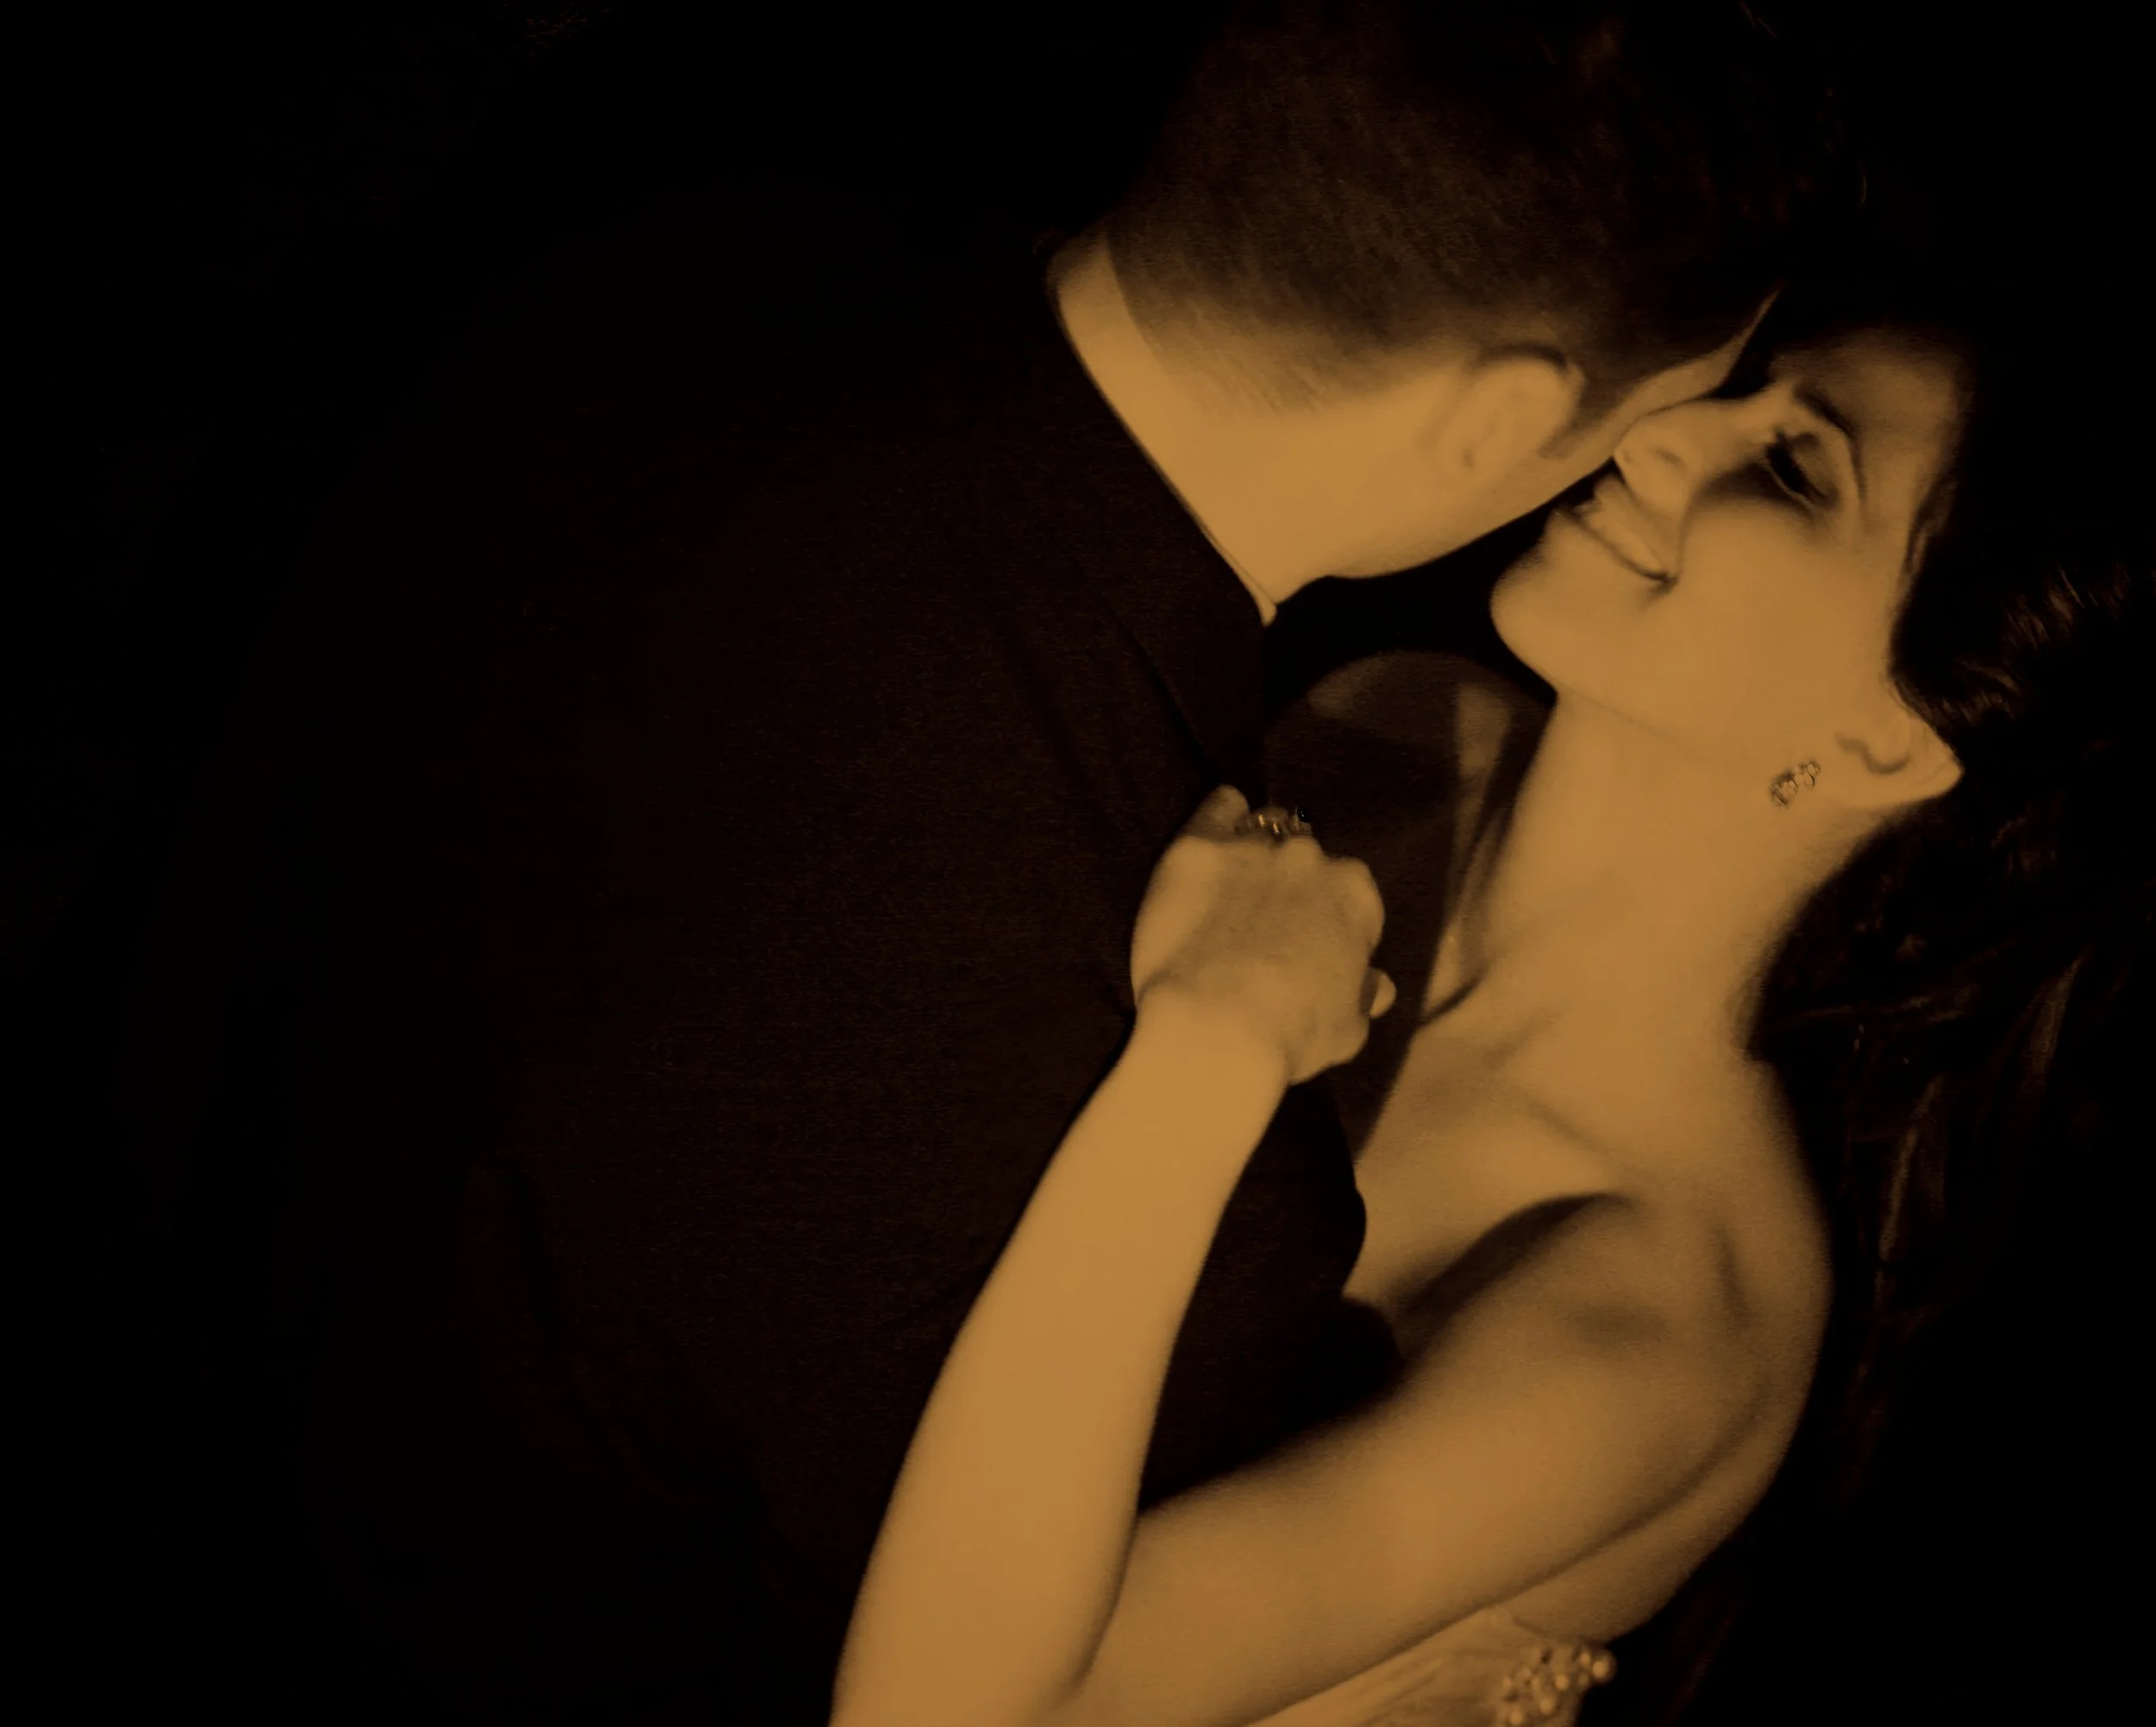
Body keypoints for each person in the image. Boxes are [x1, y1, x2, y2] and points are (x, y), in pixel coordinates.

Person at [110, 3, 1842, 1720]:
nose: (1648, 448)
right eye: (1680, 397)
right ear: (1494, 421)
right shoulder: (1139, 1089)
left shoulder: (673, 212)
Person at [826, 282, 2153, 1727]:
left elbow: (946, 1711)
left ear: (1888, 740)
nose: (1659, 428)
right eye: (1739, 382)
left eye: (1790, 467)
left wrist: (1210, 1055)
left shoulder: (1659, 1302)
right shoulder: (1403, 723)